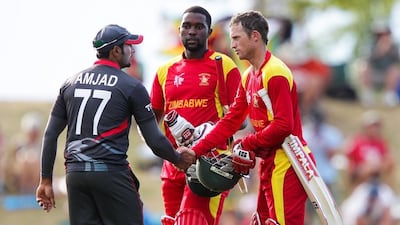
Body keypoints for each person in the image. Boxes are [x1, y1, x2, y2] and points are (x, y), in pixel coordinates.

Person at [35, 24, 195, 225]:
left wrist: (46, 180)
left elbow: (50, 135)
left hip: (75, 176)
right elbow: (153, 139)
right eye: (129, 45)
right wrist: (177, 158)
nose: (133, 50)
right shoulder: (132, 86)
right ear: (116, 50)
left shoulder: (70, 83)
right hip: (111, 174)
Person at [190, 10, 314, 225]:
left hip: (288, 161)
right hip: (268, 162)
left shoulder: (275, 72)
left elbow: (284, 125)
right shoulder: (249, 75)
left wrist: (247, 143)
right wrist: (195, 151)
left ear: (255, 36)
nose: (233, 45)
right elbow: (231, 121)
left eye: (237, 38)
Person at [150, 6, 242, 225]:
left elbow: (240, 119)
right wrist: (160, 148)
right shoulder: (165, 70)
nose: (192, 31)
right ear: (180, 30)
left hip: (207, 166)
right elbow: (150, 119)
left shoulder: (223, 65)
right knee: (172, 222)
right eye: (187, 26)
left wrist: (207, 133)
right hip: (172, 165)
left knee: (192, 221)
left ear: (209, 32)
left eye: (199, 27)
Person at [357, 25, 400, 107]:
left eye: (385, 34)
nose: (383, 36)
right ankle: (368, 96)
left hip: (387, 75)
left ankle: (389, 96)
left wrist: (390, 50)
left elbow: (397, 61)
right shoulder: (370, 45)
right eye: (380, 34)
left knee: (394, 69)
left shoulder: (393, 46)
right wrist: (379, 50)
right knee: (364, 67)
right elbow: (367, 59)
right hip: (372, 74)